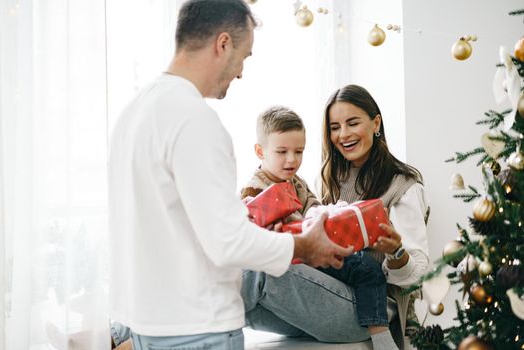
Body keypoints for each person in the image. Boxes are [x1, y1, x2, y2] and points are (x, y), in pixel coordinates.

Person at [107, 1, 352, 350]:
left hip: (150, 325)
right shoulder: (194, 119)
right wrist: (304, 246)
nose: (240, 72)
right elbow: (227, 242)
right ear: (223, 44)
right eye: (245, 56)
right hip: (198, 329)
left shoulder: (134, 112)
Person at [240, 85, 429, 348]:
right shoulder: (329, 178)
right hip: (332, 291)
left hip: (371, 307)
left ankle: (193, 317)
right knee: (241, 288)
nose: (343, 134)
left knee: (260, 268)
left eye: (352, 123)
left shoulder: (403, 186)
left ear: (376, 123)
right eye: (334, 127)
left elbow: (417, 275)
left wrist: (396, 252)